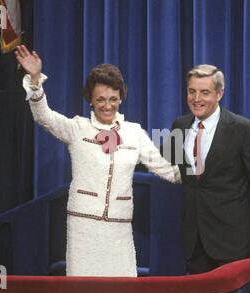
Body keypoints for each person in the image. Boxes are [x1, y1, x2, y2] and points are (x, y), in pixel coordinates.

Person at [15, 45, 181, 277]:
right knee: (83, 291)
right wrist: (35, 79)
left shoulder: (134, 132)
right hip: (84, 227)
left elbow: (168, 170)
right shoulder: (78, 128)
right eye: (100, 99)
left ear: (121, 98)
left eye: (113, 98)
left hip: (119, 230)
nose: (107, 105)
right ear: (90, 100)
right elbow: (44, 116)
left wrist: (201, 166)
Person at [164, 64, 250, 274]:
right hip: (195, 240)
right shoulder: (180, 125)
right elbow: (164, 158)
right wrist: (123, 150)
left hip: (233, 239)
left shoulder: (242, 129)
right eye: (191, 91)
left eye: (204, 92)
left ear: (219, 94)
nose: (196, 99)